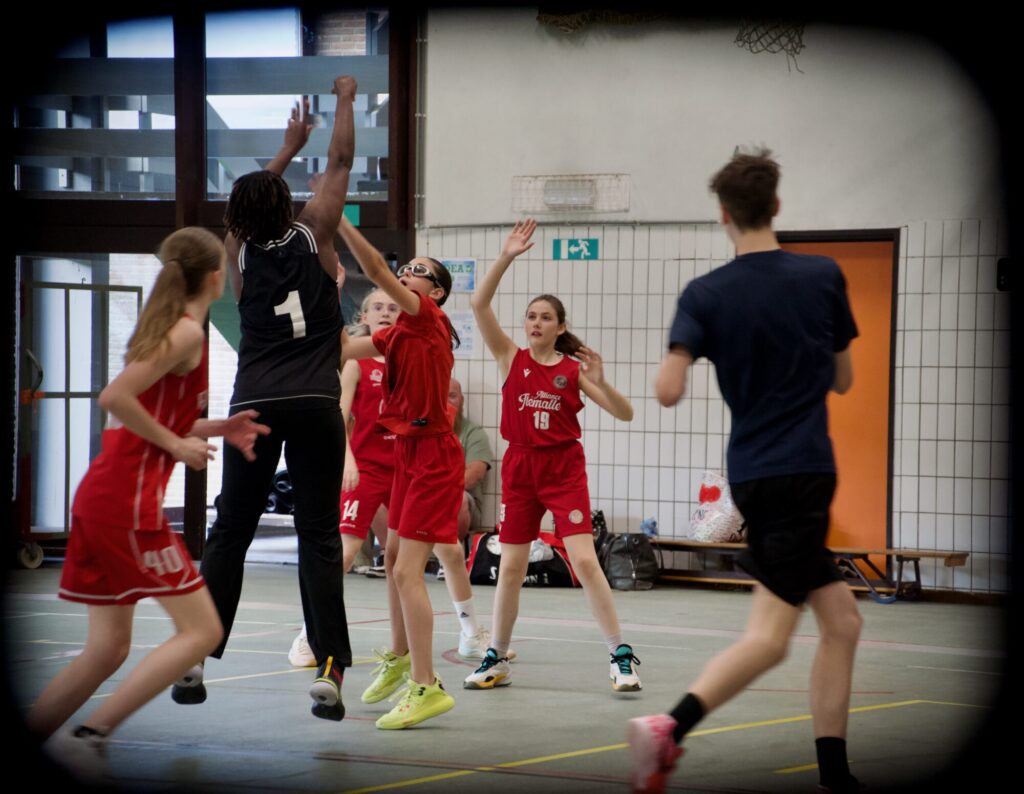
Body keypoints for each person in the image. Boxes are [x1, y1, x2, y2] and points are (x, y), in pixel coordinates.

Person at [628, 149, 862, 794]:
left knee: (842, 621)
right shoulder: (823, 276)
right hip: (807, 470)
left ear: (724, 215)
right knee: (770, 638)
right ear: (777, 206)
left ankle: (834, 773)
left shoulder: (706, 293)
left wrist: (694, 348)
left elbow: (668, 391)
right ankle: (667, 728)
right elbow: (844, 379)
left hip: (755, 476)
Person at [27, 227, 269, 776]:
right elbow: (114, 397)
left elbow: (156, 413)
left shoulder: (184, 331)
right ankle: (89, 735)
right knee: (204, 631)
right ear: (216, 276)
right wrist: (177, 443)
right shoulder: (185, 333)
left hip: (104, 499)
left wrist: (217, 426)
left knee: (107, 649)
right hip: (124, 505)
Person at [171, 78, 358, 722]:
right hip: (313, 402)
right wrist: (344, 101)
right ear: (287, 204)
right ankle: (330, 668)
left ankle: (196, 650)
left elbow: (236, 215)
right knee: (319, 535)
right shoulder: (315, 234)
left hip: (254, 403)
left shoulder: (237, 254)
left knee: (231, 530)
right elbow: (338, 164)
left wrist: (280, 152)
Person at [464, 219, 642, 693]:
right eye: (531, 316)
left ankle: (619, 653)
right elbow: (478, 304)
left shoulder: (571, 370)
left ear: (560, 326)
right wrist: (506, 256)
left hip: (563, 469)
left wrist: (601, 381)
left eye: (545, 317)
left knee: (584, 560)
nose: (536, 322)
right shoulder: (509, 357)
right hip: (521, 467)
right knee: (512, 567)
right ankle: (496, 656)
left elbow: (625, 414)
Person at [338, 217, 483, 729]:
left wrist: (337, 221)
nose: (405, 275)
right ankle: (401, 658)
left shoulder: (426, 320)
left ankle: (426, 684)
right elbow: (338, 350)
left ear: (435, 293)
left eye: (416, 272)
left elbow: (376, 267)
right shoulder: (396, 333)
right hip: (406, 454)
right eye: (406, 269)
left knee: (405, 571)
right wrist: (325, 291)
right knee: (394, 555)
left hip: (434, 456)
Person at [286, 289, 398, 667]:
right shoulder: (357, 363)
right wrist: (347, 458)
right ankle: (309, 632)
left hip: (402, 468)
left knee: (422, 555)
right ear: (364, 315)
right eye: (378, 307)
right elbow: (339, 414)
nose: (385, 312)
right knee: (346, 551)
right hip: (364, 466)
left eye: (393, 307)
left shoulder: (408, 357)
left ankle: (470, 634)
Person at [447, 377, 493, 547]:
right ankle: (382, 555)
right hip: (427, 495)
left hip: (464, 501)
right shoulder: (423, 431)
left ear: (461, 400)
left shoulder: (473, 433)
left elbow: (475, 474)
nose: (446, 403)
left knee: (457, 498)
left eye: (452, 396)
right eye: (440, 396)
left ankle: (453, 553)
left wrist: (439, 491)